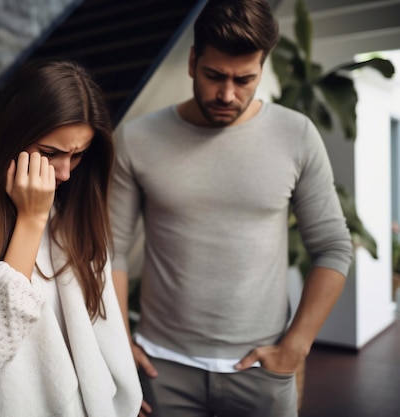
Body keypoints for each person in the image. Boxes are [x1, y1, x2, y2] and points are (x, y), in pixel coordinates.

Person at [109, 1, 353, 416]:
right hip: (162, 369)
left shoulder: (296, 135)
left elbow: (333, 246)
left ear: (263, 68)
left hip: (262, 370)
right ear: (191, 61)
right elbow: (111, 249)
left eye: (244, 80)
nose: (227, 94)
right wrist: (118, 346)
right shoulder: (136, 139)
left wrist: (296, 346)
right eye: (214, 75)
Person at [0, 59, 142, 417]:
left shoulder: (73, 212)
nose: (64, 171)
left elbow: (101, 332)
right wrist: (31, 220)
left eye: (77, 155)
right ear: (12, 135)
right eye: (50, 154)